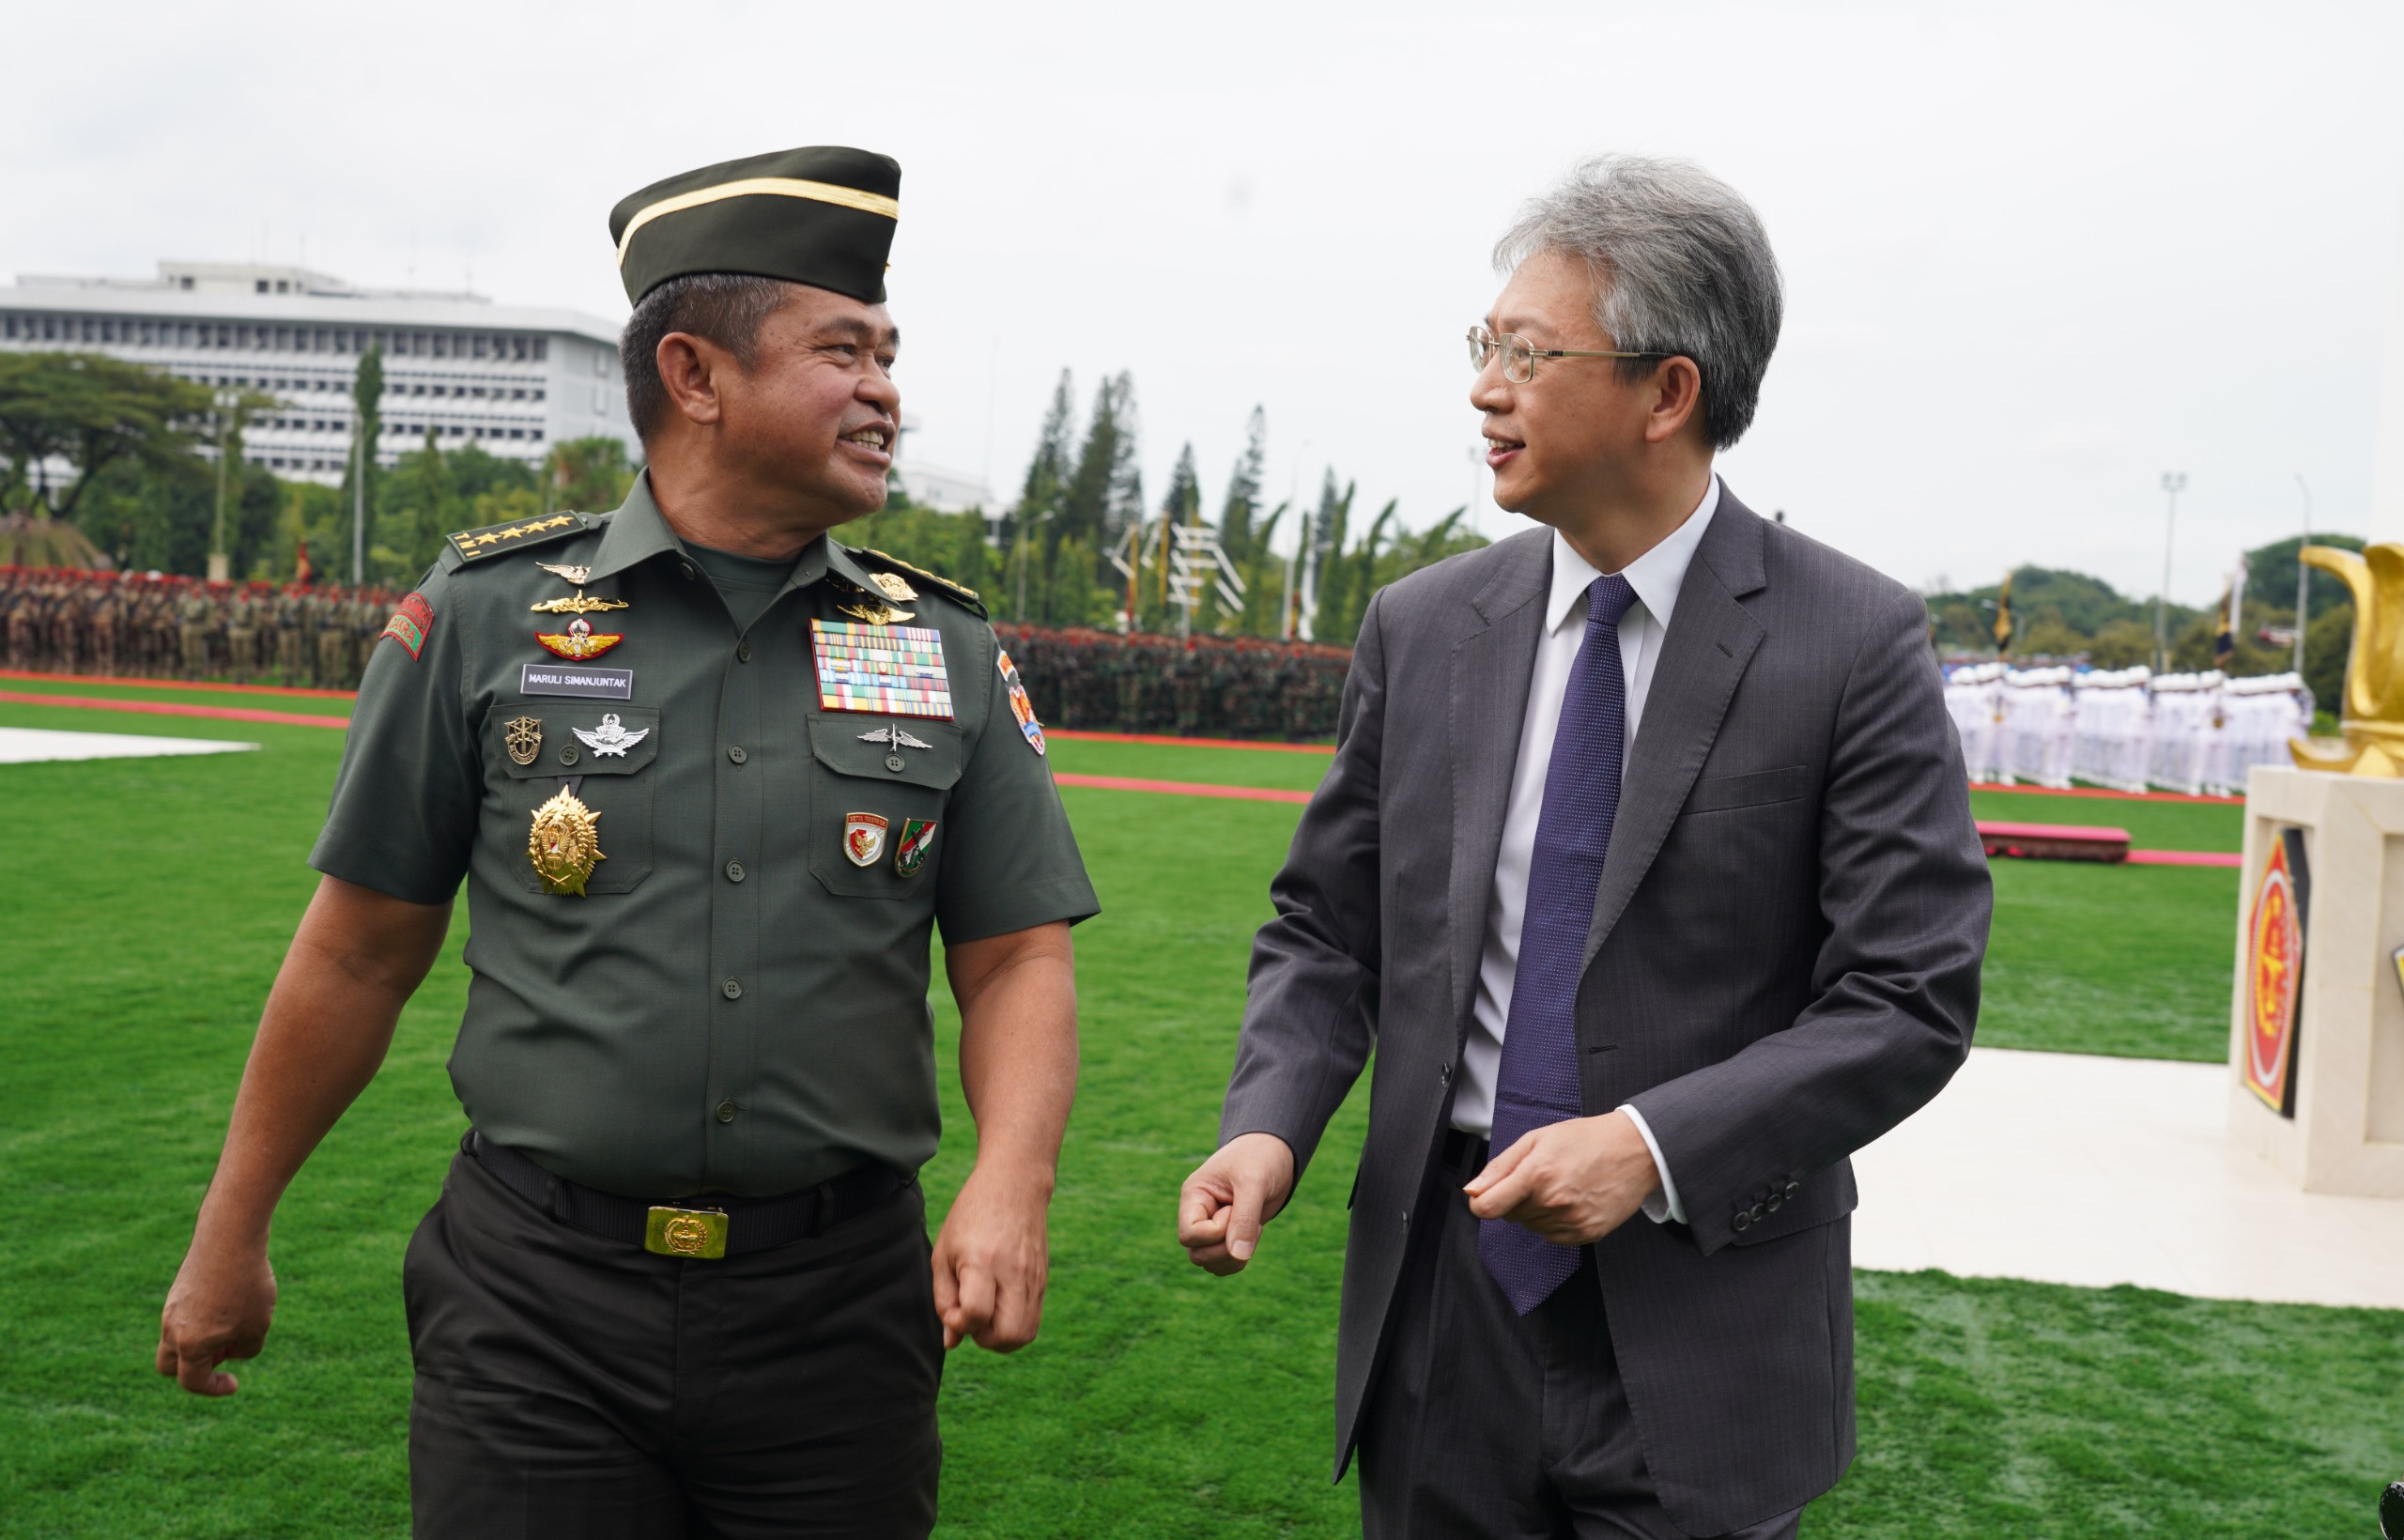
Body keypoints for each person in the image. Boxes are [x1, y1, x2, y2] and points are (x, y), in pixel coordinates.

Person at [155, 144, 1098, 1539]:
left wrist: (1011, 1179)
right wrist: (230, 1232)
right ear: (695, 375)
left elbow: (1015, 955)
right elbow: (357, 955)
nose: (887, 390)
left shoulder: (938, 644)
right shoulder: (483, 618)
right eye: (843, 350)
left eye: (890, 353)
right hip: (536, 1304)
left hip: (836, 1317)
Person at [1179, 156, 1992, 1538]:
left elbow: (1908, 996)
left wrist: (1652, 1145)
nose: (1485, 386)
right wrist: (1267, 1124)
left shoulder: (1851, 642)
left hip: (1705, 1322)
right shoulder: (1424, 627)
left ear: (1668, 392)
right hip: (1445, 1308)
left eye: (1527, 351)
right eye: (1483, 344)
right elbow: (1327, 927)